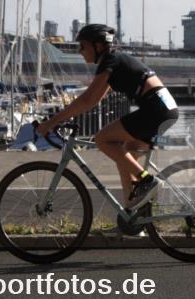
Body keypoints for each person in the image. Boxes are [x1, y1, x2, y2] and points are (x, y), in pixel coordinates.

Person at [38, 24, 179, 211]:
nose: (80, 51)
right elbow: (94, 99)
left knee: (102, 139)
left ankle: (148, 181)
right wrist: (68, 116)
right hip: (164, 108)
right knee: (125, 158)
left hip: (155, 109)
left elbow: (89, 100)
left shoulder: (110, 61)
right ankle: (133, 217)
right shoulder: (115, 61)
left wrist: (52, 121)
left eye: (83, 46)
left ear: (98, 46)